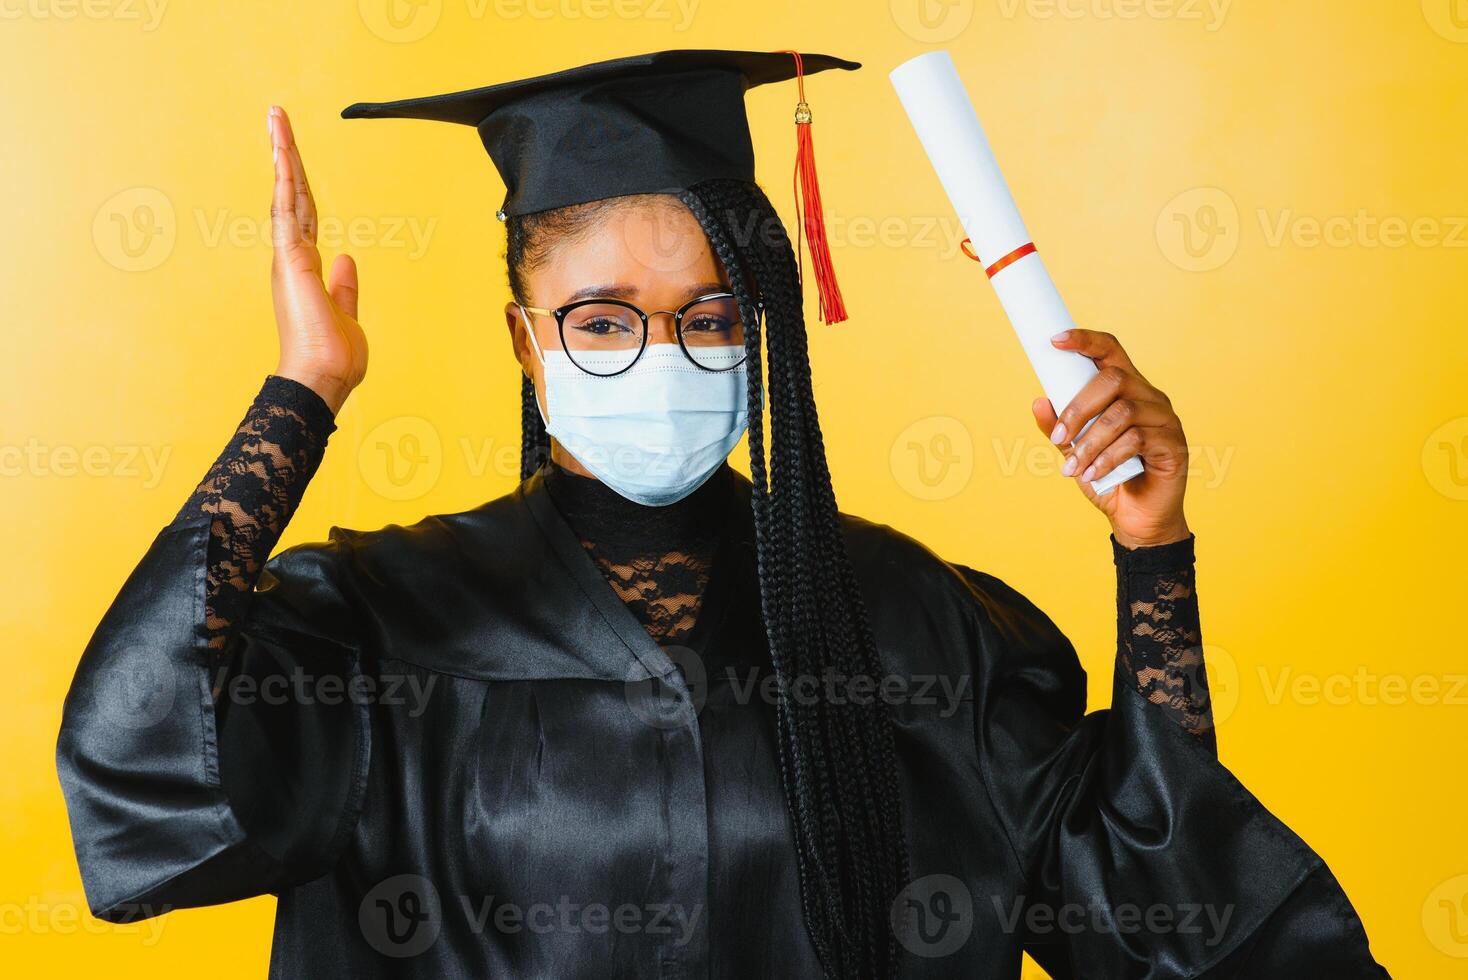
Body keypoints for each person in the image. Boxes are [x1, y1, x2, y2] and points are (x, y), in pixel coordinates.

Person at [56, 50, 1387, 979]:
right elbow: (141, 769)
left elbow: (1164, 908)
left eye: (706, 316)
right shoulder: (385, 626)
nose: (661, 353)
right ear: (529, 346)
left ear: (760, 336)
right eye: (601, 321)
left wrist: (1153, 556)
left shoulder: (913, 621)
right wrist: (303, 394)